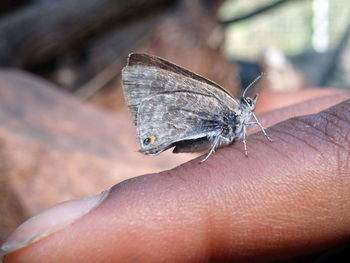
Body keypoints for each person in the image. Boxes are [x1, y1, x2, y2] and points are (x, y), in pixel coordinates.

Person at [2, 89, 350, 263]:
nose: (251, 108)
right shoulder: (232, 114)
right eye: (249, 104)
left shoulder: (245, 118)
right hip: (197, 136)